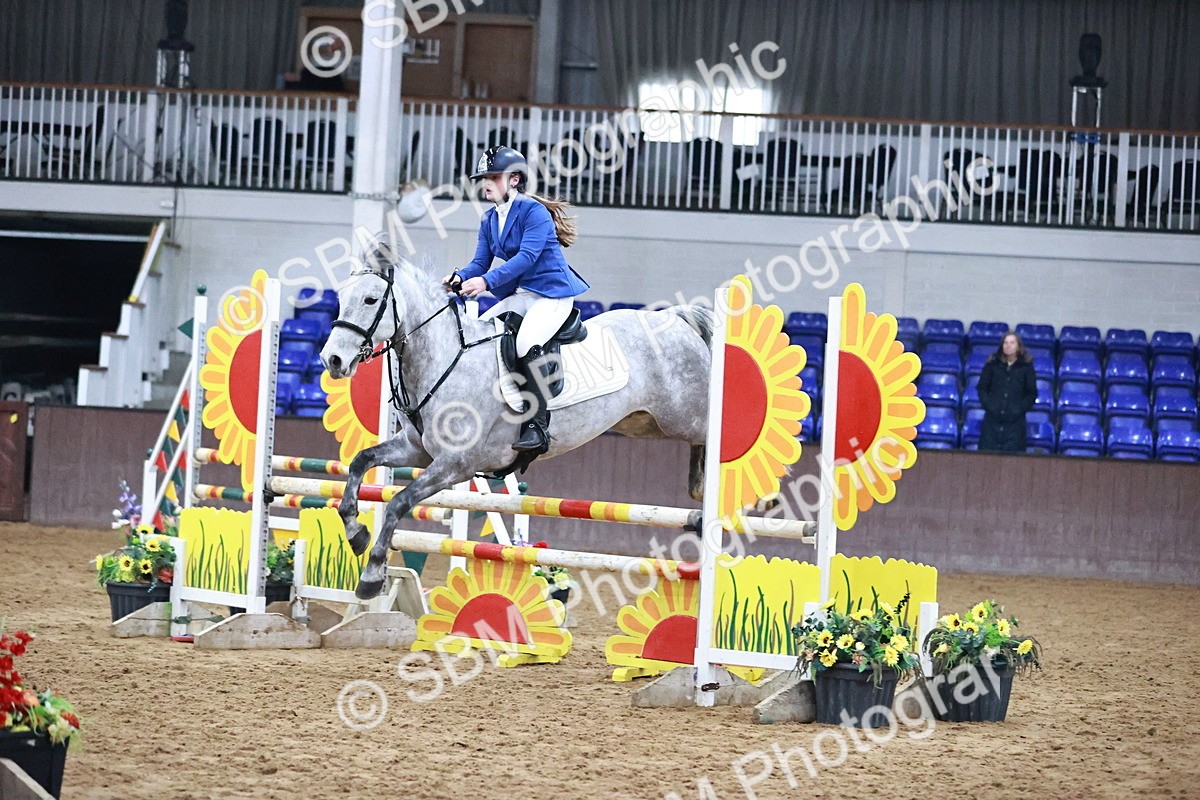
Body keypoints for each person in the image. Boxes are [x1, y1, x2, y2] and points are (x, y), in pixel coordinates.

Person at [442, 145, 590, 455]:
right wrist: (460, 276)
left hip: (552, 294)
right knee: (480, 333)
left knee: (525, 343)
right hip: (523, 295)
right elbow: (479, 263)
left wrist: (485, 282)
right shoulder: (489, 219)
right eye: (484, 178)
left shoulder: (533, 212)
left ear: (514, 180)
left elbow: (526, 257)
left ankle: (537, 425)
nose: (486, 184)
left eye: (494, 177)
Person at [976, 331, 1039, 452]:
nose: (1008, 345)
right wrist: (990, 406)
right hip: (992, 421)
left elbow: (1031, 393)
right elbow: (982, 388)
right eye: (1005, 342)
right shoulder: (992, 365)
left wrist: (1018, 409)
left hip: (1015, 423)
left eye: (1012, 343)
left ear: (1018, 346)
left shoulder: (1026, 367)